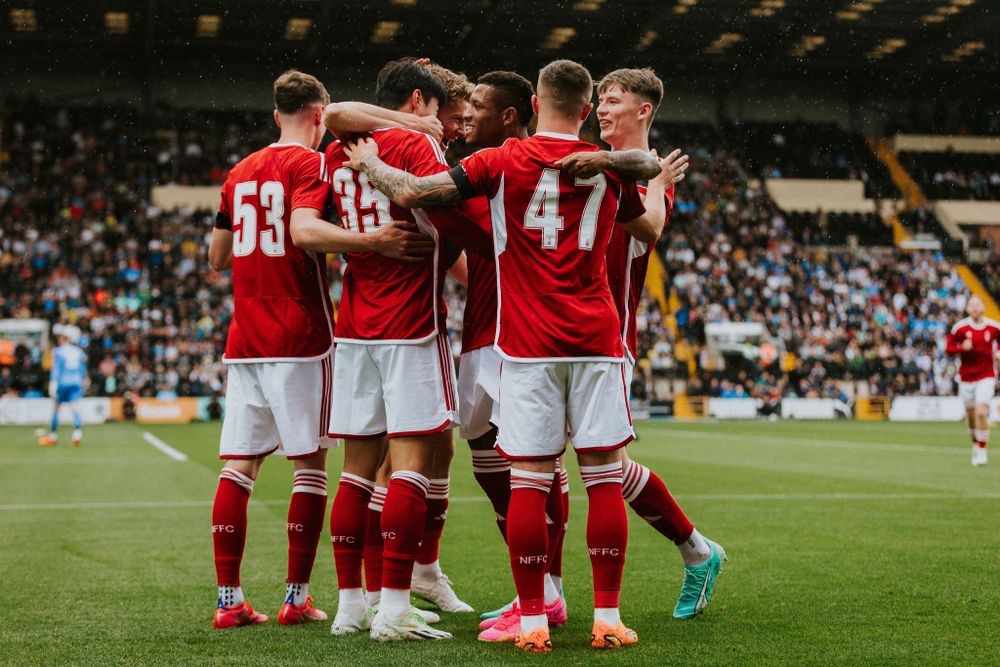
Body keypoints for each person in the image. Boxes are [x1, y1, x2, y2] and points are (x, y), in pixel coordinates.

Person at [345, 59, 661, 653]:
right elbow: (648, 212)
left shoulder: (502, 161)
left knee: (529, 479)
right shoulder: (610, 171)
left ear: (535, 108)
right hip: (596, 338)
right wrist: (610, 160)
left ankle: (536, 619)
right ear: (588, 111)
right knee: (601, 479)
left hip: (528, 341)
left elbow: (414, 191)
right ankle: (609, 617)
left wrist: (370, 165)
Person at [207, 69, 431, 631]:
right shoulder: (310, 164)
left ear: (274, 112)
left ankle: (229, 600)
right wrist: (370, 241)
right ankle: (296, 595)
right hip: (299, 331)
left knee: (239, 466)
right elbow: (307, 233)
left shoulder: (239, 172)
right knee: (311, 466)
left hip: (244, 336)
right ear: (318, 113)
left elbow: (216, 255)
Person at [324, 58, 466, 642]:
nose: (441, 124)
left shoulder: (339, 152)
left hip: (353, 324)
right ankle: (395, 607)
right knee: (412, 464)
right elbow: (441, 213)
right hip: (409, 322)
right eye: (437, 111)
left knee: (357, 473)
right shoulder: (414, 148)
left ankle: (350, 606)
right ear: (418, 101)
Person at [597, 67, 727, 619]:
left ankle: (698, 551)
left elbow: (647, 229)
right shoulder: (596, 163)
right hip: (555, 336)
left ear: (644, 110)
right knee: (538, 464)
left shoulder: (655, 176)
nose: (601, 108)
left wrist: (652, 185)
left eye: (614, 100)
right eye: (600, 98)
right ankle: (539, 597)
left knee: (606, 466)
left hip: (605, 338)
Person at [945, 295, 1000, 466]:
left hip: (986, 375)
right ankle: (975, 444)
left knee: (981, 412)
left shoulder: (993, 327)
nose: (975, 308)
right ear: (967, 308)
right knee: (970, 416)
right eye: (971, 305)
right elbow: (948, 348)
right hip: (966, 377)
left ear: (983, 307)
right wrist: (961, 347)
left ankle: (982, 450)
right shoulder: (960, 328)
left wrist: (998, 352)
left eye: (978, 305)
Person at [38, 331, 87, 447]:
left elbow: (56, 368)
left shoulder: (58, 351)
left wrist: (53, 381)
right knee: (75, 407)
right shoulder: (78, 351)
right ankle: (77, 433)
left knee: (56, 408)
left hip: (63, 382)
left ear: (62, 340)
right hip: (76, 381)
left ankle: (53, 436)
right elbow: (83, 368)